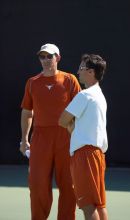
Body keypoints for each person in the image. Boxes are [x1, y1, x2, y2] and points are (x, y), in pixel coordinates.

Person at [19, 43, 81, 220]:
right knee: (37, 184)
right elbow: (27, 111)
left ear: (58, 58)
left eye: (49, 56)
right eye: (42, 56)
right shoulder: (32, 83)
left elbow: (80, 111)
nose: (45, 60)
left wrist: (77, 137)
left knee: (69, 185)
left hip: (66, 137)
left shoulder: (70, 80)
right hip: (40, 138)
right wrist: (24, 139)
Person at [59, 54, 108, 220]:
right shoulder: (100, 96)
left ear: (91, 72)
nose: (78, 72)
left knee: (88, 206)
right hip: (97, 155)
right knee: (99, 205)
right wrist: (75, 128)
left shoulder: (85, 95)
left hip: (85, 156)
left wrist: (72, 128)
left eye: (81, 68)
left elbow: (62, 120)